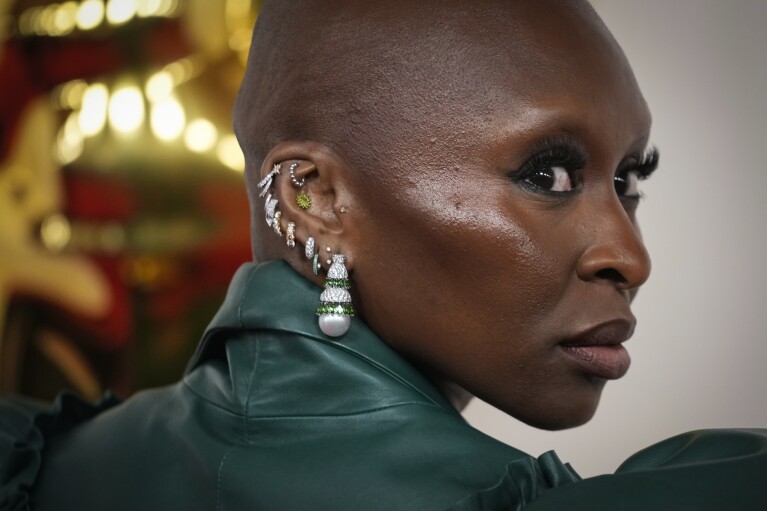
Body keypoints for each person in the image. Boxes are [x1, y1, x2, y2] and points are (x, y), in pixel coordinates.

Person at [1, 1, 765, 510]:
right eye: (549, 174)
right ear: (316, 201)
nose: (629, 256)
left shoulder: (39, 459)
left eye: (628, 180)